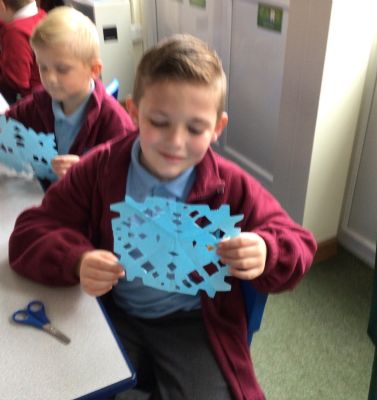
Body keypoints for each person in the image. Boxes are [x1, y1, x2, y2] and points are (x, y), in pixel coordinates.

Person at [9, 34, 317, 399]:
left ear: (217, 129)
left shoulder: (230, 186)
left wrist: (267, 249)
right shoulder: (101, 169)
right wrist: (77, 260)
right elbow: (30, 231)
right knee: (66, 384)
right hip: (114, 311)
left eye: (195, 128)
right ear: (134, 112)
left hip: (192, 323)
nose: (175, 141)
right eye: (159, 121)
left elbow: (299, 242)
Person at [5, 6, 134, 189]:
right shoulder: (40, 103)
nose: (50, 78)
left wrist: (87, 171)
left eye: (62, 69)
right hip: (49, 196)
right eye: (43, 67)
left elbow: (127, 178)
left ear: (94, 70)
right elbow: (5, 125)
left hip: (88, 203)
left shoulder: (114, 121)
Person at [0, 0, 46, 104]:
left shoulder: (15, 33)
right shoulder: (40, 14)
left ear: (1, 5)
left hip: (30, 102)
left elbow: (15, 82)